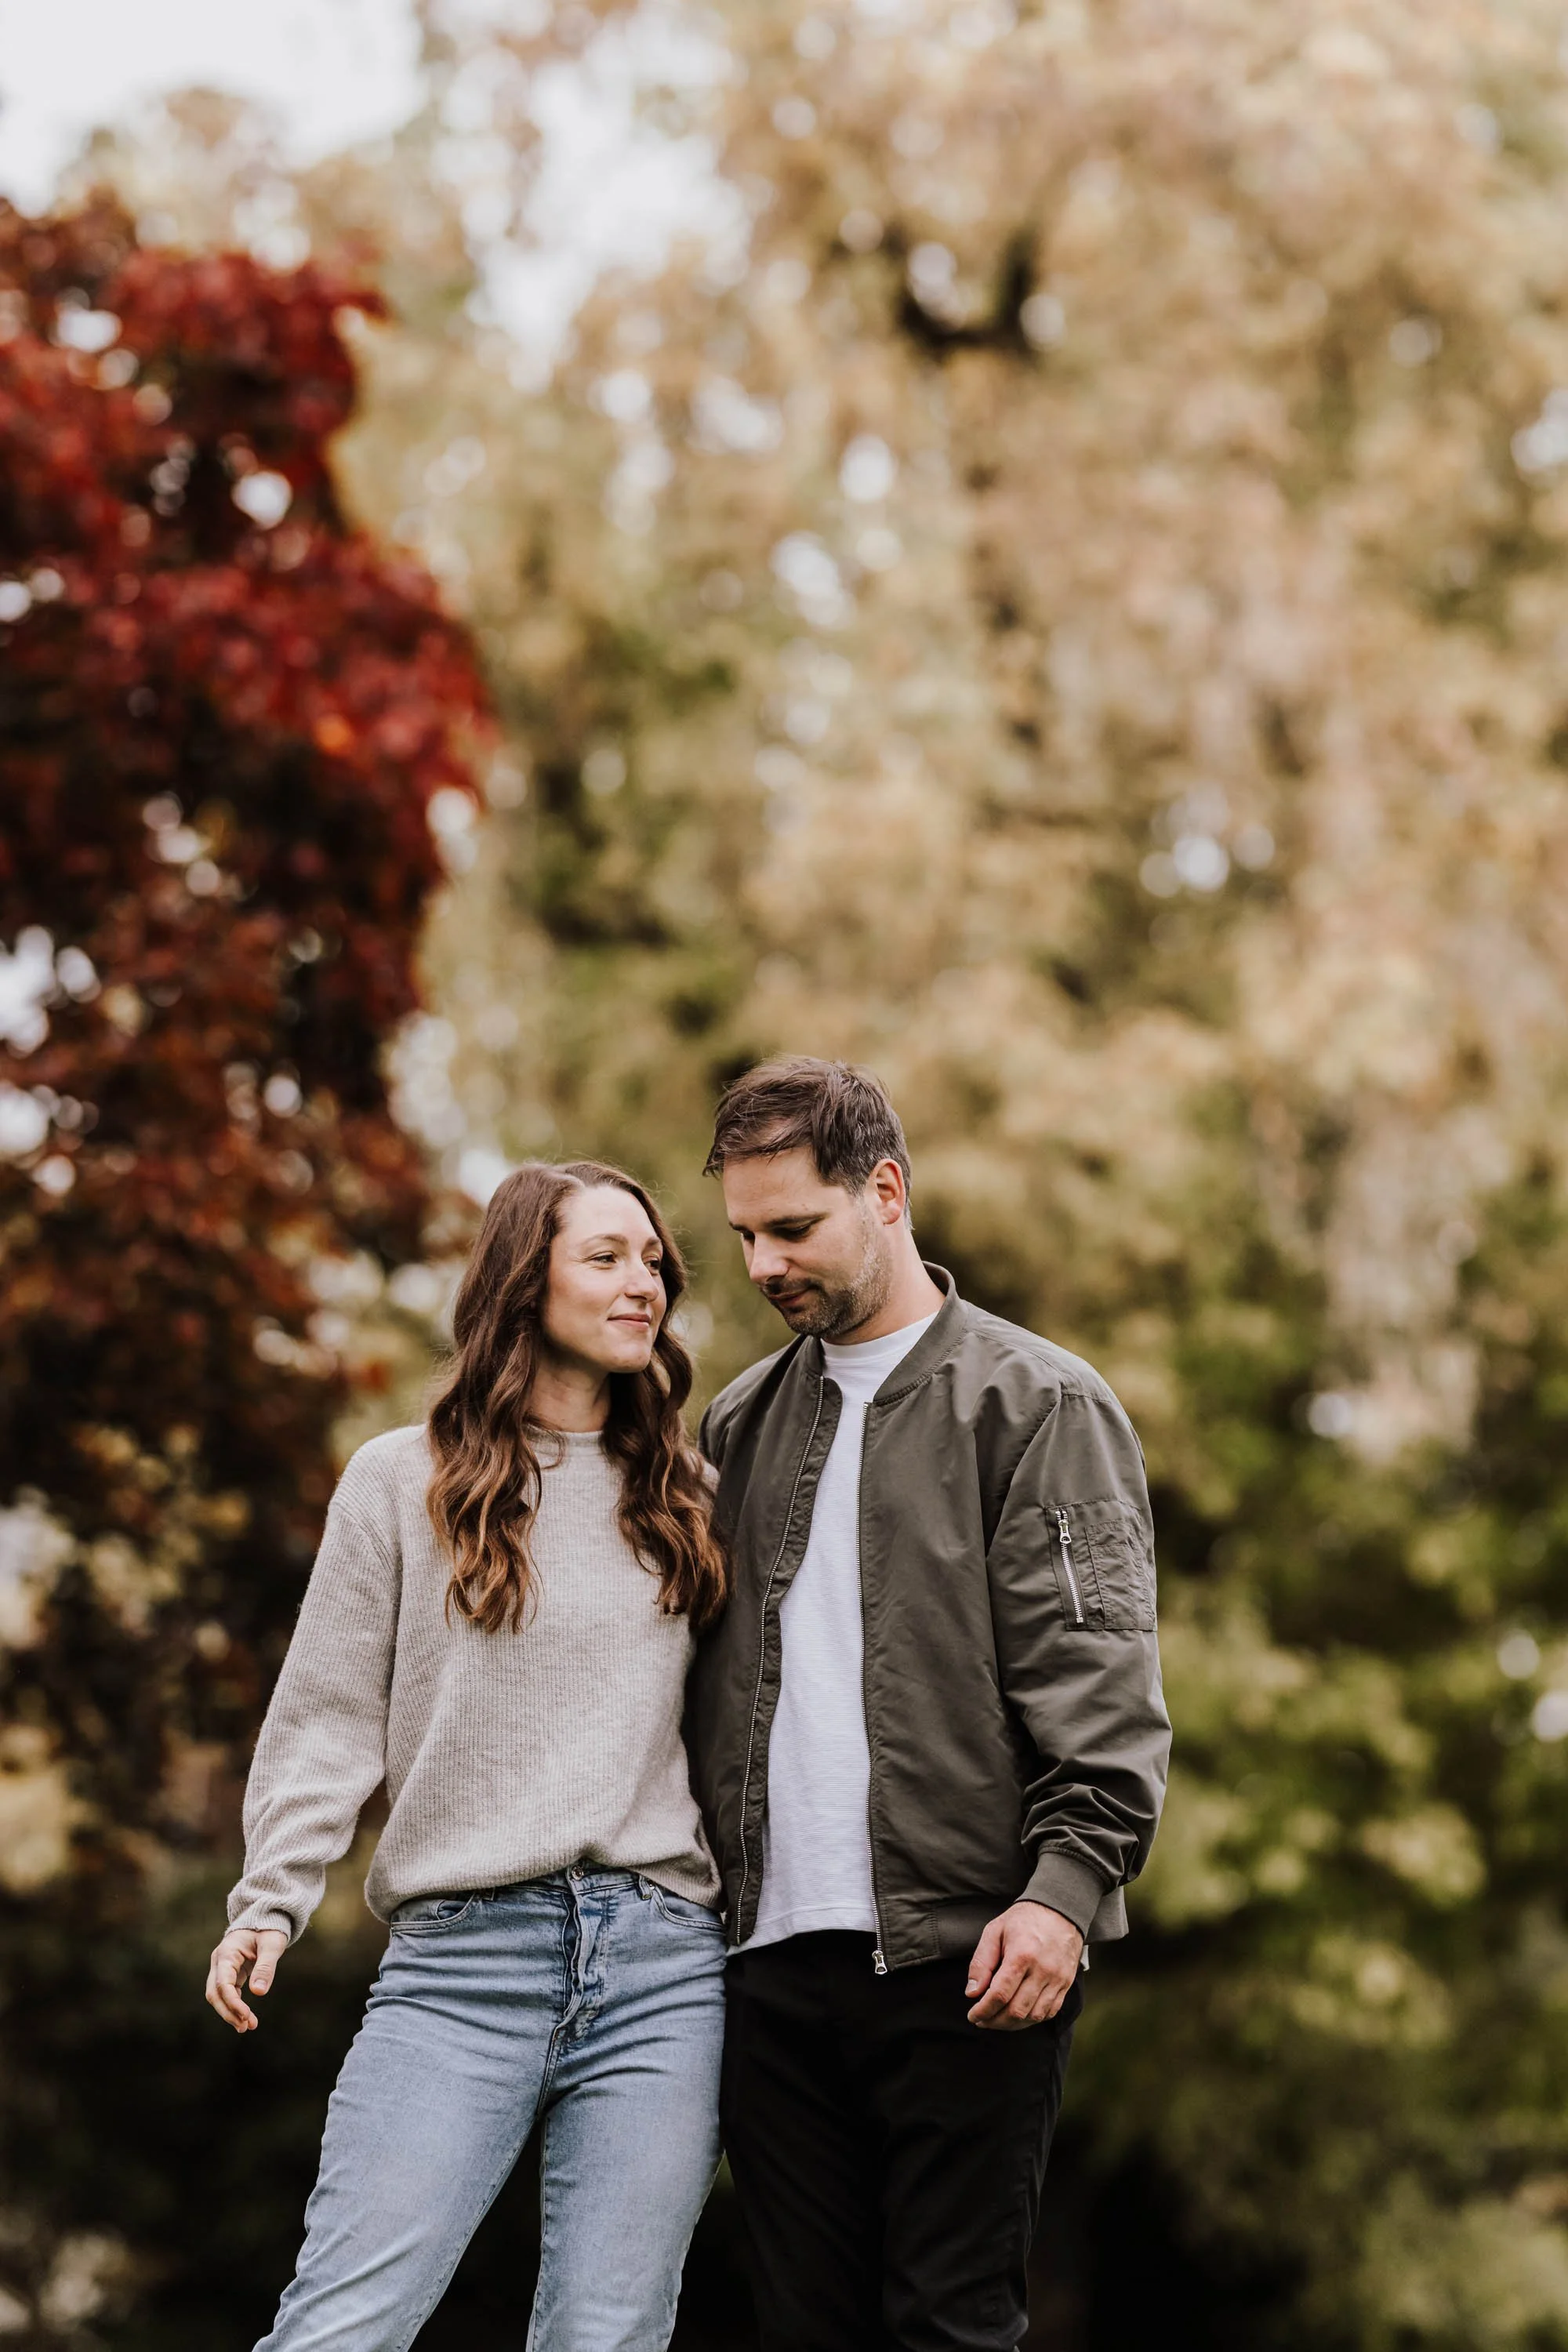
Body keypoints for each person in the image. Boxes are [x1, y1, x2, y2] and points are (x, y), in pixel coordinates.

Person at [686, 1058, 1172, 2352]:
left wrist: (1063, 1895)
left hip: (971, 1958)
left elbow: (1104, 1681)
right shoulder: (735, 1425)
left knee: (951, 2327)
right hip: (764, 1964)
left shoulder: (1038, 1403)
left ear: (885, 1191)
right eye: (744, 1234)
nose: (760, 1264)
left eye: (793, 1228)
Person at [206, 1160, 728, 2352]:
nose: (641, 1282)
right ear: (520, 1281)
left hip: (663, 1968)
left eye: (654, 1261)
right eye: (605, 1257)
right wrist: (269, 1900)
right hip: (462, 1963)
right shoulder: (402, 1481)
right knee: (344, 2322)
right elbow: (331, 1710)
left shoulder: (688, 1494)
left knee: (609, 2334)